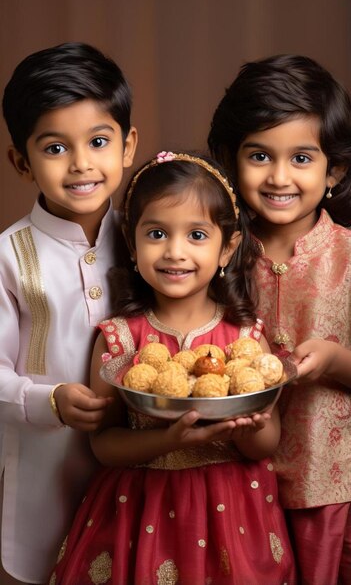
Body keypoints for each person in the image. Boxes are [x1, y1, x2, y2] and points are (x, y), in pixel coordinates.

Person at [48, 151, 296, 585]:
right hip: (140, 512)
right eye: (157, 233)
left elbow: (267, 443)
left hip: (234, 513)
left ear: (227, 248)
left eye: (197, 234)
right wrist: (168, 439)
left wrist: (251, 424)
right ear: (132, 243)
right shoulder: (118, 338)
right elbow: (103, 445)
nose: (174, 252)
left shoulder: (245, 338)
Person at [208, 54, 351, 584]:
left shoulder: (348, 258)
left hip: (328, 489)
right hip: (230, 487)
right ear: (230, 158)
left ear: (333, 167)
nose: (279, 176)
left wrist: (336, 360)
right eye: (260, 156)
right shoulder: (212, 256)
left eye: (301, 158)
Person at [0, 42, 137, 585]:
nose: (82, 164)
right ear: (20, 161)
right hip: (47, 466)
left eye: (99, 142)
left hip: (141, 459)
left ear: (129, 147)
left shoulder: (150, 239)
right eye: (55, 148)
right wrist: (48, 400)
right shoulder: (9, 256)